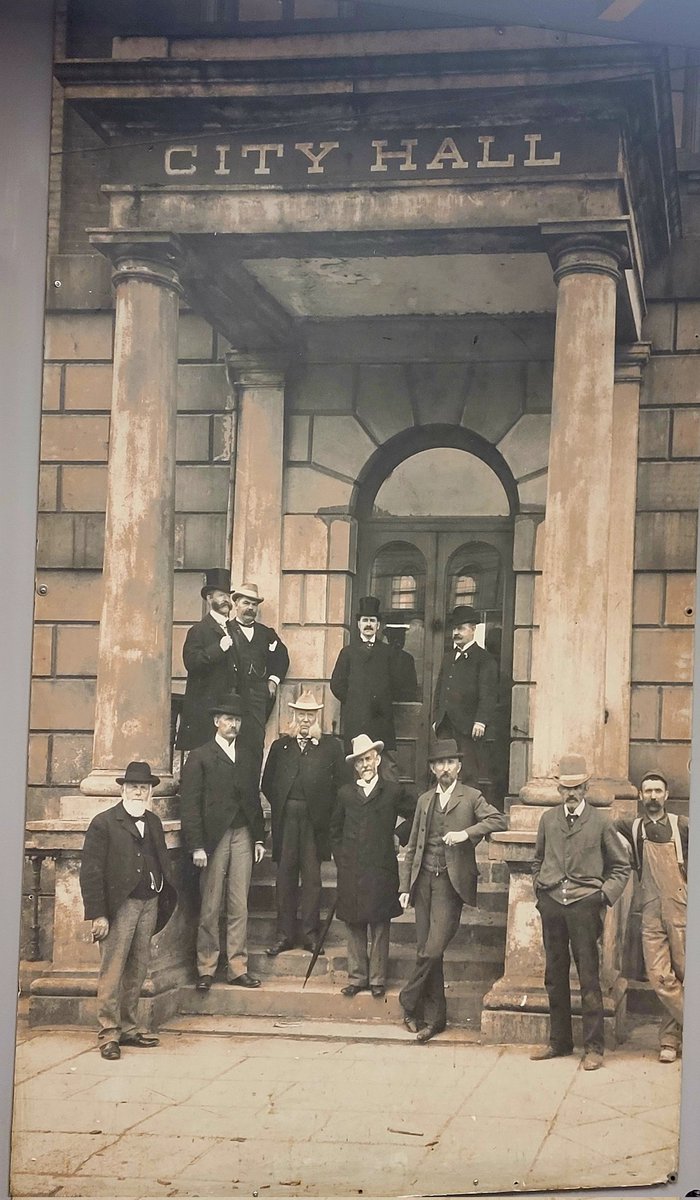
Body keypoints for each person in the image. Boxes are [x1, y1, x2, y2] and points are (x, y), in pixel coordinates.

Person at [398, 740, 505, 1043]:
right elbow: (413, 848)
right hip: (423, 883)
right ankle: (434, 1019)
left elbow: (498, 819)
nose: (444, 769)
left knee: (433, 949)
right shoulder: (423, 801)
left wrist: (465, 834)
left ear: (459, 766)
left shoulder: (471, 797)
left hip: (450, 883)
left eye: (449, 763)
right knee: (428, 951)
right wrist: (405, 886)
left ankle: (408, 1000)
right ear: (432, 768)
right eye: (439, 763)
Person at [530, 752, 631, 1071]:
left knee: (589, 977)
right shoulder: (548, 820)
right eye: (565, 788)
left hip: (585, 907)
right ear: (559, 790)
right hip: (552, 905)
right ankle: (559, 1042)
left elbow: (621, 866)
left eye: (576, 788)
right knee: (553, 976)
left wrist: (602, 896)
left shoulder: (601, 822)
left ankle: (594, 1048)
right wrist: (539, 888)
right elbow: (537, 860)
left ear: (586, 788)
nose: (571, 794)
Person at [79, 761, 177, 1060]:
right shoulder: (103, 823)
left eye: (144, 787)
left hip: (149, 903)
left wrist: (162, 895)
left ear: (150, 792)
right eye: (133, 786)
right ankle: (109, 1034)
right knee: (113, 970)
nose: (139, 791)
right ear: (122, 789)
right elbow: (91, 872)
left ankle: (130, 1028)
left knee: (138, 968)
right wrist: (99, 913)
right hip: (119, 906)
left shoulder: (154, 822)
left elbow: (160, 860)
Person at [180, 691, 265, 991]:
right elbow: (189, 804)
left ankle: (237, 967)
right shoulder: (200, 756)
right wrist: (197, 845)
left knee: (239, 904)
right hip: (212, 840)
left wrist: (259, 838)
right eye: (228, 719)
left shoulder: (247, 755)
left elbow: (253, 798)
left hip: (243, 833)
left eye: (238, 719)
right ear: (217, 721)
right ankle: (206, 968)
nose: (234, 725)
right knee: (210, 904)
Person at [330, 734, 415, 999]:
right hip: (352, 868)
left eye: (368, 759)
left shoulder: (391, 790)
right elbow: (334, 830)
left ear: (377, 759)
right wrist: (341, 857)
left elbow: (416, 814)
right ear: (354, 766)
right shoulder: (345, 794)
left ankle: (378, 978)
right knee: (354, 923)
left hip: (381, 866)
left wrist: (399, 834)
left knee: (379, 923)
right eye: (359, 762)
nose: (365, 765)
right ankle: (357, 977)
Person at [261, 689, 344, 955]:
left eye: (310, 715)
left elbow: (341, 786)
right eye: (301, 715)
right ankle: (284, 935)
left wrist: (326, 815)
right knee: (284, 876)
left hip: (315, 820)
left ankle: (310, 934)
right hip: (286, 819)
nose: (305, 720)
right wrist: (284, 805)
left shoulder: (331, 747)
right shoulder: (280, 746)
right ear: (293, 716)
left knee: (311, 877)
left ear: (317, 717)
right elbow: (267, 783)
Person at [615, 770, 689, 1063]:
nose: (653, 796)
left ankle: (669, 1040)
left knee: (686, 974)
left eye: (658, 791)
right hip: (650, 912)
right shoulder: (632, 828)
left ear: (667, 795)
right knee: (660, 976)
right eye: (648, 791)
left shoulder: (682, 826)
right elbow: (602, 828)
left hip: (681, 909)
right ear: (640, 796)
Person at [330, 596, 402, 779]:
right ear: (358, 625)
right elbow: (336, 684)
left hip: (381, 720)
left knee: (386, 769)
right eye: (365, 621)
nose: (368, 624)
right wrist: (356, 700)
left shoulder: (388, 653)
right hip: (357, 719)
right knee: (357, 768)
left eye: (372, 621)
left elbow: (398, 683)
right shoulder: (348, 652)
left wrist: (382, 701)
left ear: (378, 626)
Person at [431, 604, 498, 786]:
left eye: (461, 628)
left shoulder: (484, 659)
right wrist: (436, 717)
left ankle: (466, 811)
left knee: (468, 771)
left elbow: (488, 693)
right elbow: (440, 689)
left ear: (473, 630)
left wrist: (481, 720)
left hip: (469, 726)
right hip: (445, 724)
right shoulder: (448, 657)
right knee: (444, 769)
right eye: (454, 629)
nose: (456, 633)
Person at [228, 582, 290, 779]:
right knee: (229, 743)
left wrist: (272, 680)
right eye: (246, 603)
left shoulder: (266, 633)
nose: (250, 608)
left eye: (254, 605)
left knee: (254, 745)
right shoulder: (226, 630)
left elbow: (282, 656)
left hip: (257, 698)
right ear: (236, 604)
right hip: (232, 696)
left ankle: (250, 794)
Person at [177, 567, 239, 752]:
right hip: (206, 710)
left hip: (230, 709)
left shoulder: (235, 629)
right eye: (221, 595)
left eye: (228, 595)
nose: (226, 600)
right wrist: (218, 648)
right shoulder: (198, 631)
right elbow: (192, 662)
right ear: (209, 598)